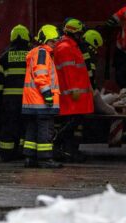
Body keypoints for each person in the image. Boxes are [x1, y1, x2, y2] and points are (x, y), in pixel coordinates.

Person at [53, 18, 94, 162]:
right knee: (72, 122)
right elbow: (68, 70)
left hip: (74, 94)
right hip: (71, 95)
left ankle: (69, 151)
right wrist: (74, 89)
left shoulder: (70, 46)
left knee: (73, 123)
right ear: (74, 33)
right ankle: (57, 144)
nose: (81, 36)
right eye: (80, 33)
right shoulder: (65, 47)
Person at [22, 24, 62, 169]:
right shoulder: (43, 53)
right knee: (45, 129)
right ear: (45, 40)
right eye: (52, 41)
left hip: (32, 101)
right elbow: (41, 74)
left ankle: (30, 157)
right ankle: (45, 159)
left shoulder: (36, 53)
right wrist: (47, 94)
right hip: (41, 100)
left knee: (32, 128)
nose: (55, 44)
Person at [0, 24, 30, 161]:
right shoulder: (31, 55)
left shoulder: (5, 57)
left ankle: (6, 154)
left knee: (8, 126)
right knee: (25, 126)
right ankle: (23, 152)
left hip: (9, 101)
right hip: (27, 99)